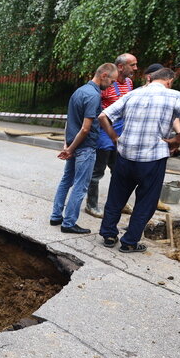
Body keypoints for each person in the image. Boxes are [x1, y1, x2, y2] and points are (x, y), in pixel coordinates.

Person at [98, 67, 180, 253]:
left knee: (116, 197)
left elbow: (103, 116)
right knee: (145, 201)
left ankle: (108, 235)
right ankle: (129, 242)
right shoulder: (175, 96)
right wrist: (178, 139)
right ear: (169, 81)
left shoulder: (133, 94)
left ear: (150, 78)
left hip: (125, 155)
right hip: (152, 159)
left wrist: (114, 137)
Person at [50, 63, 118, 234]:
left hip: (73, 145)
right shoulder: (93, 96)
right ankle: (69, 223)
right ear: (103, 75)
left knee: (66, 180)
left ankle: (56, 215)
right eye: (111, 81)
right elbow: (86, 128)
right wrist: (71, 149)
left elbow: (70, 121)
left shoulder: (79, 91)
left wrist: (67, 144)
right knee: (80, 185)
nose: (112, 85)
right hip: (84, 148)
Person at [85, 53, 138, 218]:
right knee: (98, 171)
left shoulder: (129, 83)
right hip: (104, 133)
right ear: (121, 66)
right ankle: (91, 205)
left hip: (122, 133)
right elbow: (93, 108)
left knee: (120, 170)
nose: (136, 68)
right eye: (133, 65)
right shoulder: (106, 84)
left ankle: (119, 203)